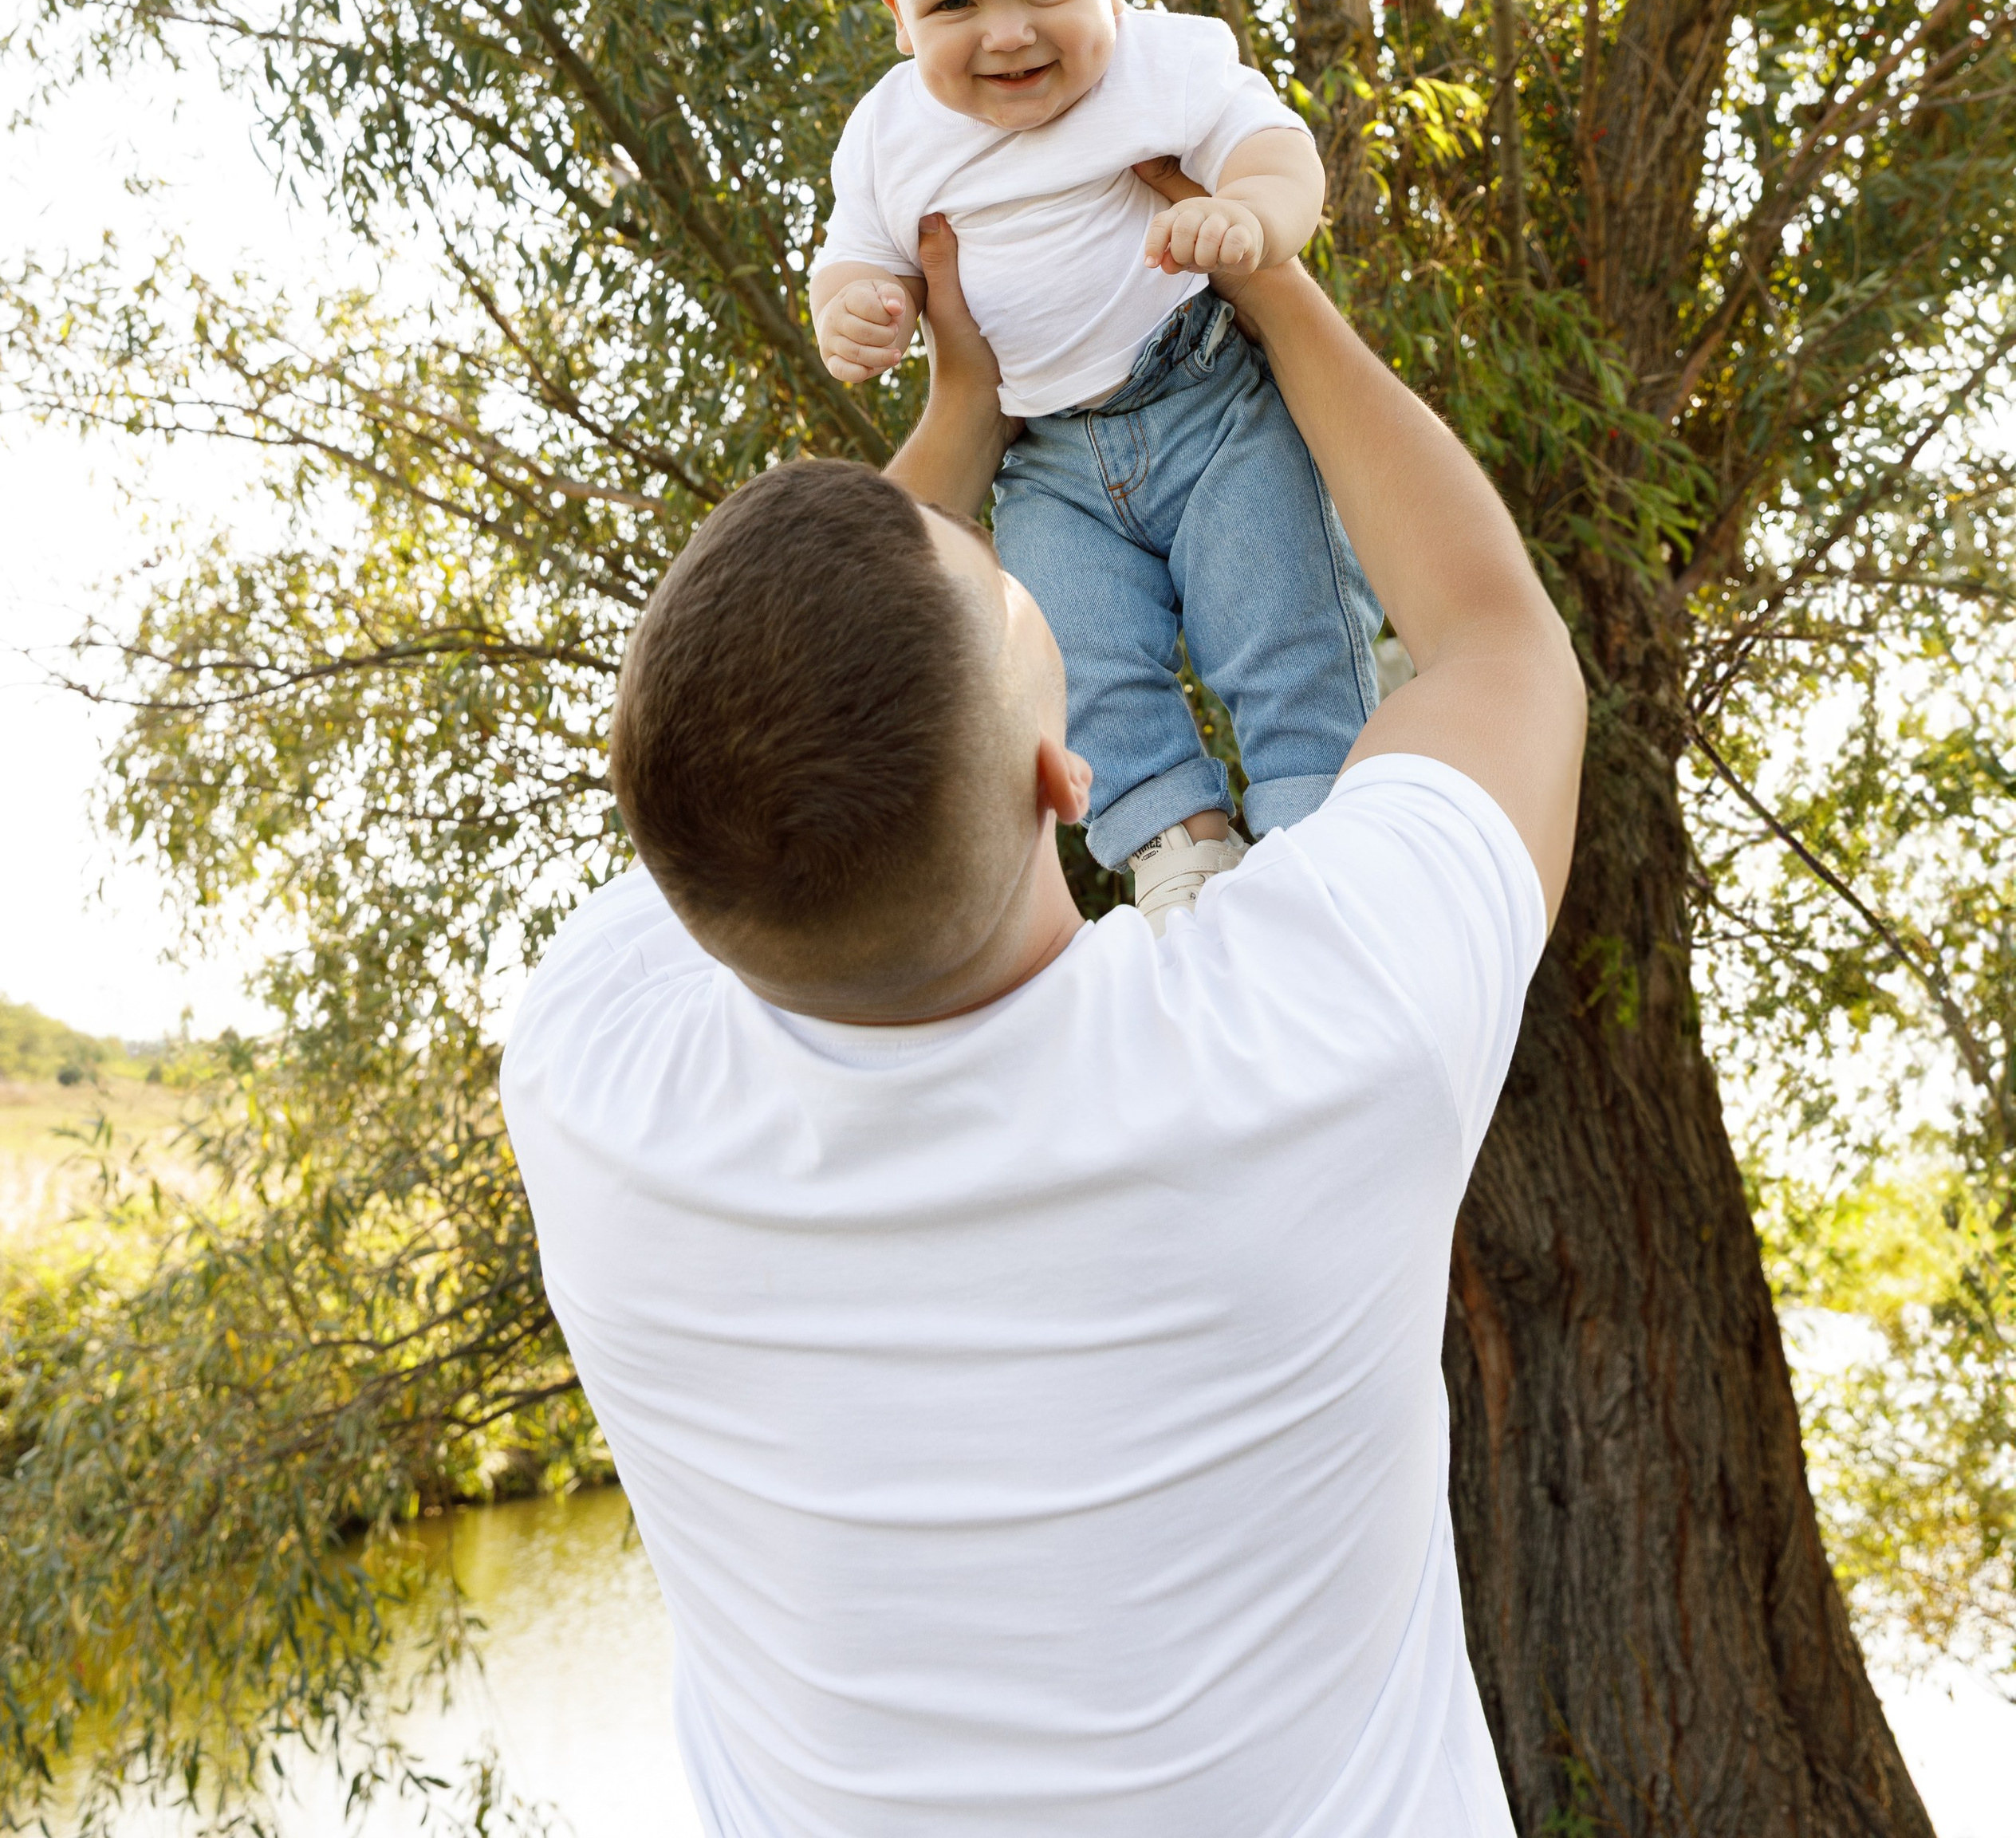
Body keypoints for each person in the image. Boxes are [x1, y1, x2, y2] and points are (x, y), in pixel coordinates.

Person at [500, 202, 1585, 1838]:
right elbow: (1497, 643)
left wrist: (961, 421)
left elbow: (757, 746)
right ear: (1065, 787)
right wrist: (1269, 288)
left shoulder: (590, 1073)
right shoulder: (1308, 1038)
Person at [809, 0, 1382, 928]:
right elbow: (855, 252)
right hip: (1049, 461)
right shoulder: (886, 137)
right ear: (895, 11)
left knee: (1280, 615)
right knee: (1066, 658)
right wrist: (857, 310)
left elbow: (1279, 151)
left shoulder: (1165, 65)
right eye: (954, 6)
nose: (1009, 34)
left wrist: (1250, 217)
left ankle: (1322, 813)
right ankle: (1173, 843)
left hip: (1211, 401)